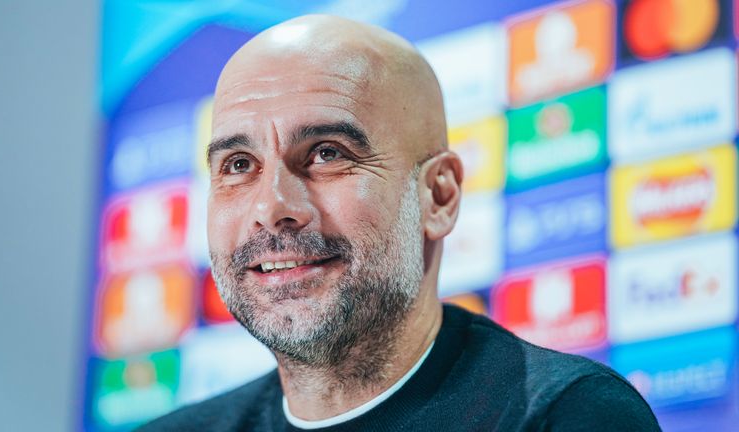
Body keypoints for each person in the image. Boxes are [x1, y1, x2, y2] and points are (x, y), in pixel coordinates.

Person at [139, 14, 660, 431]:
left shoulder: (568, 415)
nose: (271, 206)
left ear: (439, 195)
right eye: (237, 165)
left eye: (326, 153)